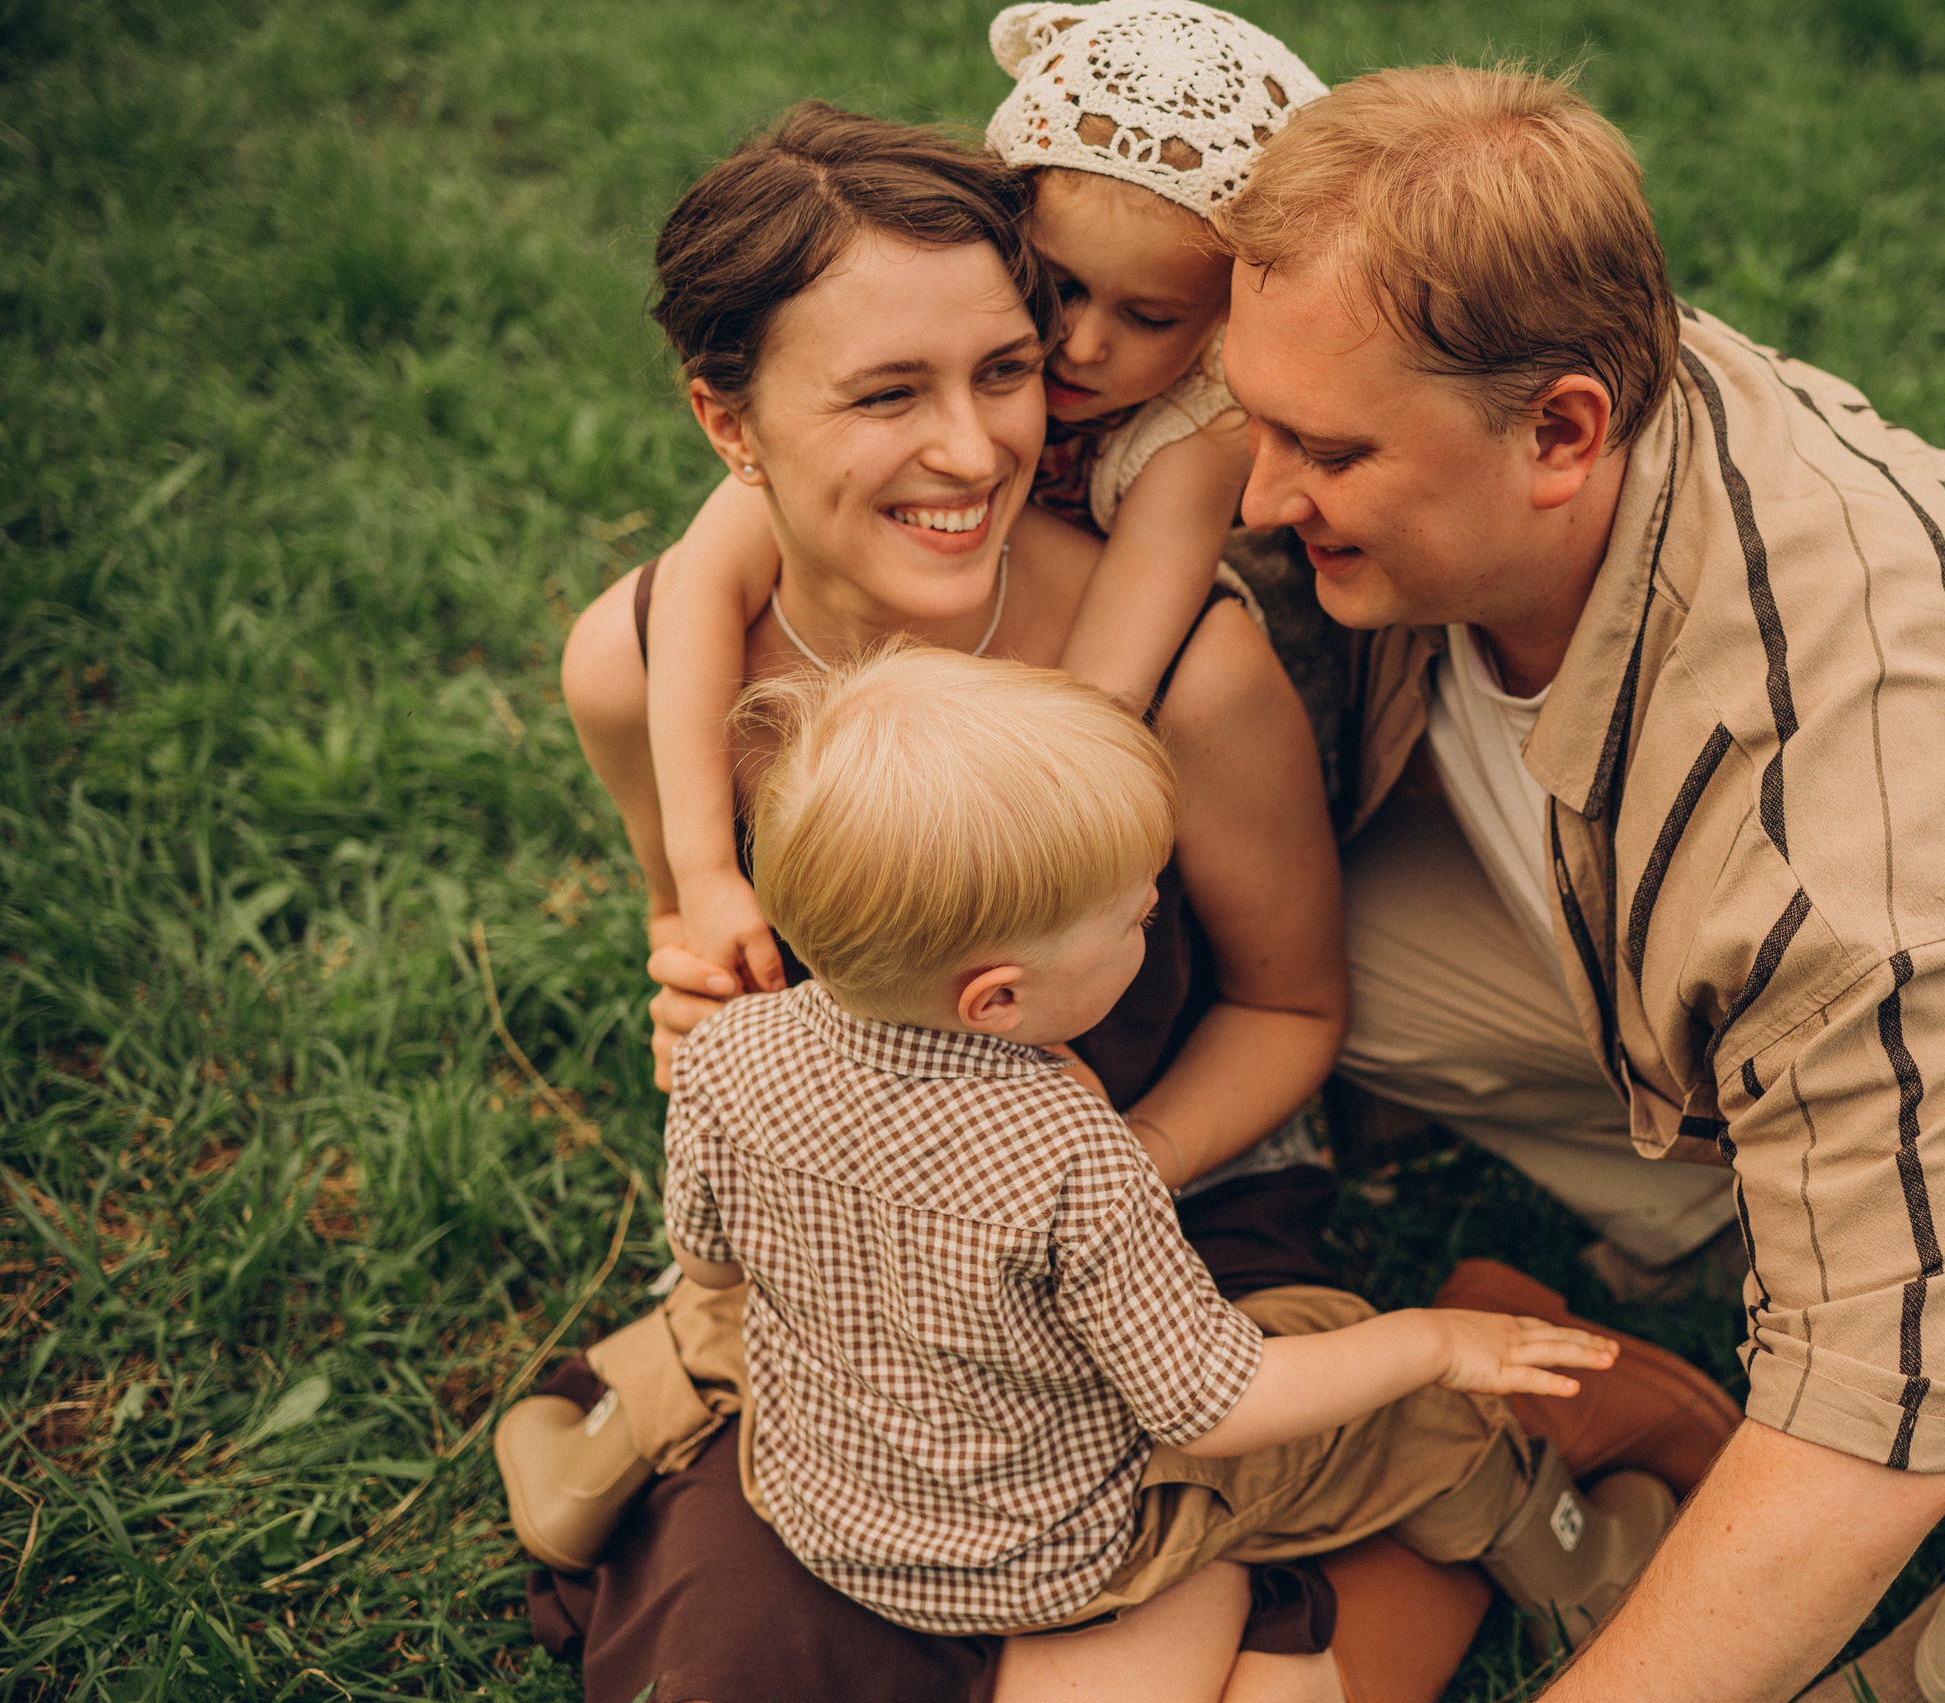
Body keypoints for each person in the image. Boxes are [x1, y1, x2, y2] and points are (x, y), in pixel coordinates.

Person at [534, 98, 1737, 1703]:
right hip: (870, 1269)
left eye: (1007, 370)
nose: (973, 449)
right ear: (727, 421)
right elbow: (720, 978)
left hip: (1167, 1205)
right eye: (889, 393)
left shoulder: (1185, 669)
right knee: (739, 1665)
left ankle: (1485, 1420)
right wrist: (707, 991)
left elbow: (1295, 1008)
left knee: (1213, 1645)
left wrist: (1071, 1190)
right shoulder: (650, 672)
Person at [1211, 65, 1945, 1703]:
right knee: (1285, 959)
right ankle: (1757, 1215)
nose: (1256, 493)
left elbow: (1876, 1414)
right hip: (1707, 916)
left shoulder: (1839, 772)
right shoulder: (1466, 384)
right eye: (1246, 416)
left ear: (1562, 431)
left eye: (1321, 450)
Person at [641, 639, 1667, 1682]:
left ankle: (629, 1418)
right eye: (1134, 916)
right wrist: (1433, 1340)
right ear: (995, 998)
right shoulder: (1071, 1153)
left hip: (826, 1509)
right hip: (1054, 1552)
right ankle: (1575, 1561)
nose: (1150, 918)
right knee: (1402, 1411)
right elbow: (1214, 1408)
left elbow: (714, 1267)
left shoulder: (726, 1051)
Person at [634, 0, 1325, 1002]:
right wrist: (697, 878)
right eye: (1055, 288)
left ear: (1220, 320)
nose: (1081, 347)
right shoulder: (957, 336)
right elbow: (699, 582)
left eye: (1149, 315)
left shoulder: (1197, 435)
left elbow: (1099, 698)